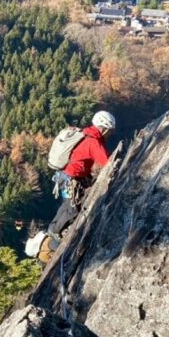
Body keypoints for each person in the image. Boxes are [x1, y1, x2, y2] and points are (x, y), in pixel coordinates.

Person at [25, 110, 116, 261]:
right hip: (72, 179)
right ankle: (53, 238)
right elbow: (108, 162)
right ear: (103, 128)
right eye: (109, 131)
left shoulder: (85, 133)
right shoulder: (93, 142)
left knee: (69, 206)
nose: (110, 134)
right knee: (71, 208)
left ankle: (53, 233)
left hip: (67, 177)